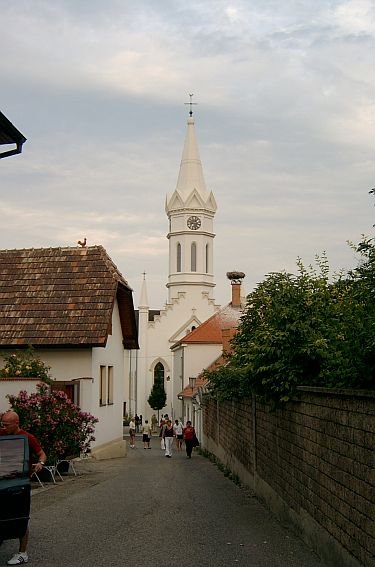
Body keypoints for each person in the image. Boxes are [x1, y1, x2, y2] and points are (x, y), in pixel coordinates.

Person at [0, 410, 47, 565]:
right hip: (2, 483)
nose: (4, 427)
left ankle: (22, 553)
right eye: (2, 424)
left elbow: (42, 454)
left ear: (16, 424)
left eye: (6, 425)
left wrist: (40, 464)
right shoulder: (1, 434)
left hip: (20, 485)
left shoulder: (28, 437)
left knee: (21, 517)